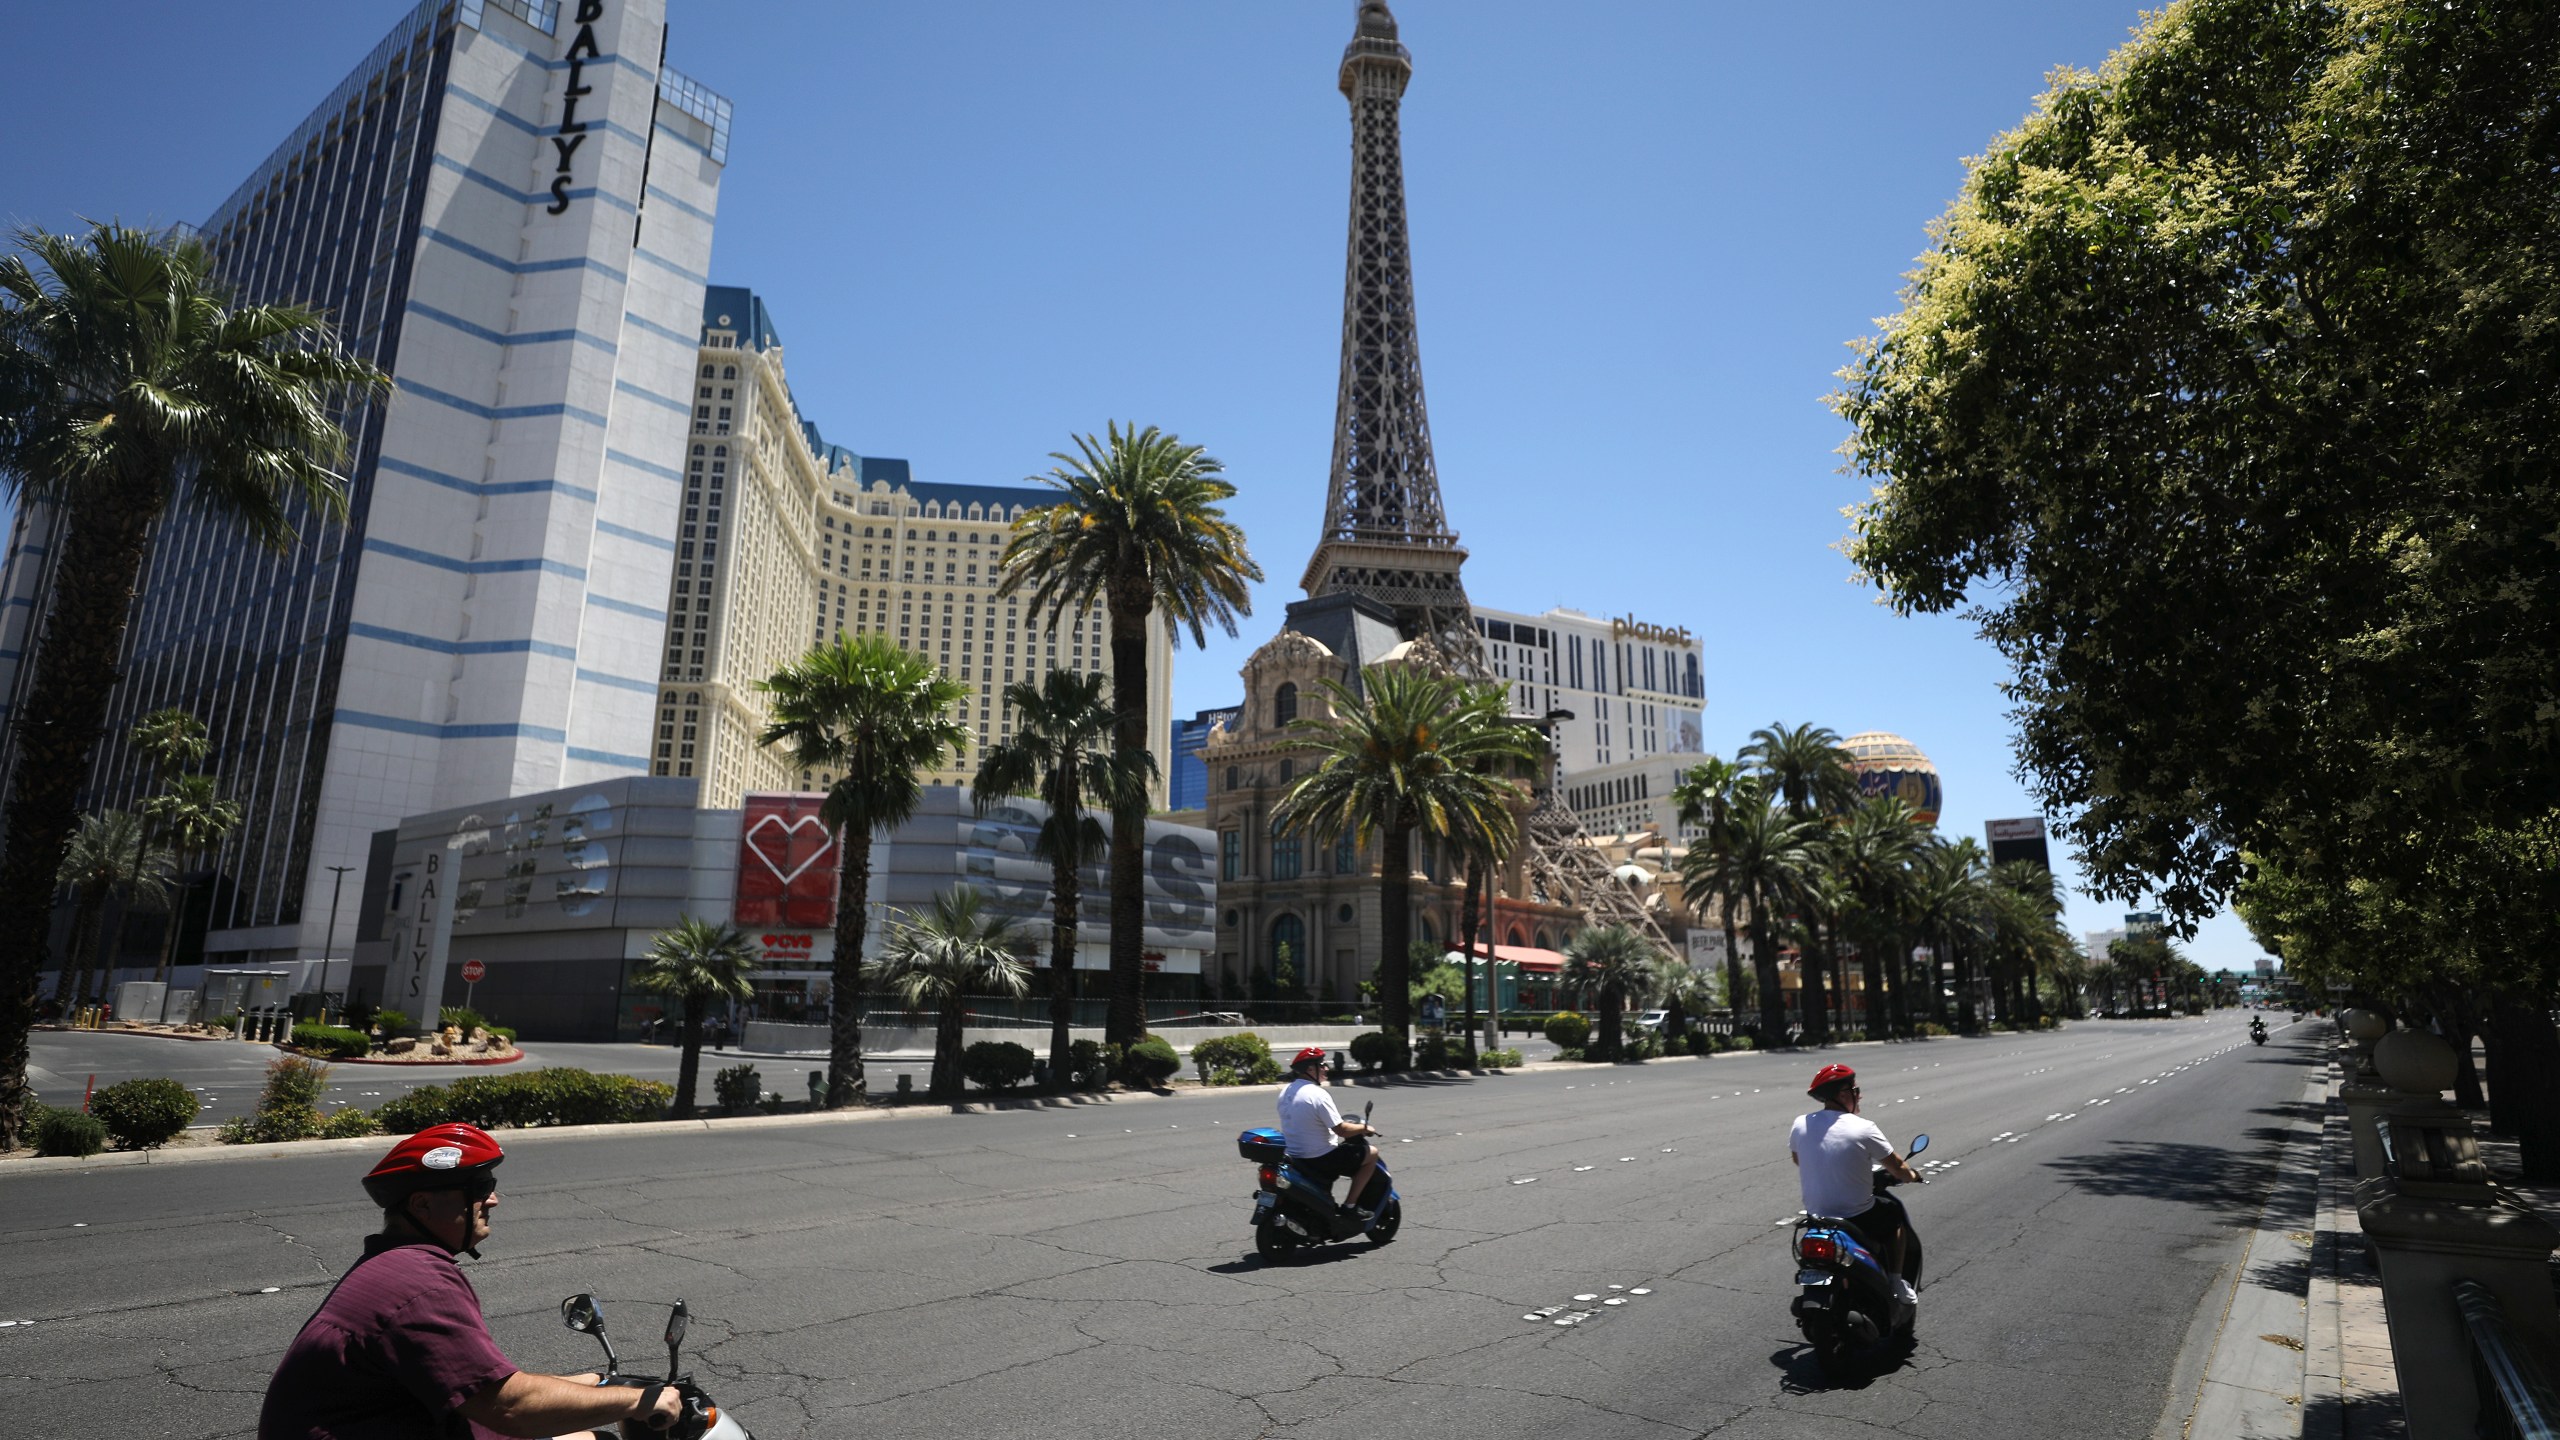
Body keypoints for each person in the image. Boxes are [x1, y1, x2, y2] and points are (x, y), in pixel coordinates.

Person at [259, 1123, 683, 1439]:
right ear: (422, 1204)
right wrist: (639, 1400)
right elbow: (509, 1406)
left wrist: (595, 1383)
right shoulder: (419, 1286)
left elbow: (480, 1386)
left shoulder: (395, 1263)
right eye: (479, 1186)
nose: (493, 1198)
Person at [1788, 1063, 1923, 1302]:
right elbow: (1899, 1169)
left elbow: (1800, 1160)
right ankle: (1896, 1282)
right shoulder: (1864, 1128)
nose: (1859, 1095)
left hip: (1817, 1216)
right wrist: (1913, 1176)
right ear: (1842, 1094)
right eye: (1855, 1090)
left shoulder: (1800, 1124)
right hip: (1856, 1216)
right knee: (1894, 1217)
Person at [1276, 1045, 1382, 1220]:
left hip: (1294, 1156)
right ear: (1310, 1069)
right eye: (1322, 1065)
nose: (1326, 1068)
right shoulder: (1317, 1094)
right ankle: (1350, 1206)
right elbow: (1341, 1129)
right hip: (1321, 1158)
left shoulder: (1286, 1091)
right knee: (1372, 1154)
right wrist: (1365, 1128)